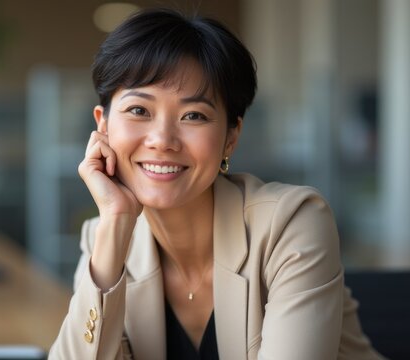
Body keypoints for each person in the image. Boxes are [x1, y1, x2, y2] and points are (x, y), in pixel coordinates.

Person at [49, 9, 383, 360]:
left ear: (230, 137)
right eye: (139, 111)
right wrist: (116, 220)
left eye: (194, 115)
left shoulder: (291, 225)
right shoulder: (103, 240)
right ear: (103, 126)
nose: (162, 140)